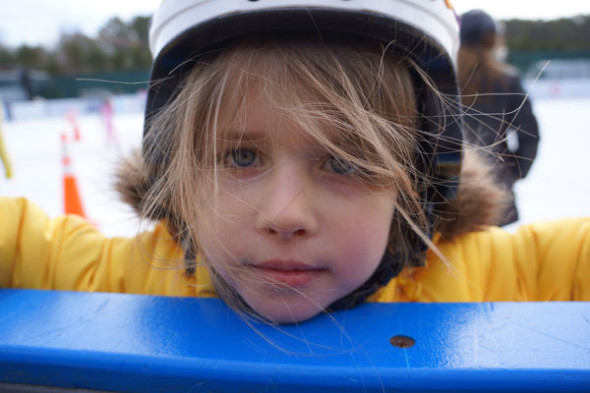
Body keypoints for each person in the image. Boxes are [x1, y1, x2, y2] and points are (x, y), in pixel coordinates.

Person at [1, 1, 588, 324]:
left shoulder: (484, 279)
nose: (284, 214)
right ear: (174, 170)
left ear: (419, 180)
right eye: (240, 155)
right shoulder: (135, 282)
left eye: (346, 162)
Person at [458, 9, 540, 226]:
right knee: (495, 257)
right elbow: (530, 135)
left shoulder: (444, 77)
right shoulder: (506, 80)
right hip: (495, 189)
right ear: (492, 40)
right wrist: (513, 172)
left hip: (448, 189)